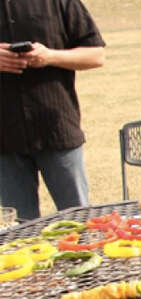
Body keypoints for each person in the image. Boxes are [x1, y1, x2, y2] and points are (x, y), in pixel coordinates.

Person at [0, 0, 105, 222]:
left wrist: (50, 57)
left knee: (80, 223)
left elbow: (96, 55)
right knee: (17, 235)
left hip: (56, 129)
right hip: (4, 140)